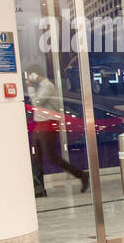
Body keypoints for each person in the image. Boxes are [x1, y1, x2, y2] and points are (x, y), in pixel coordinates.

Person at [26, 64, 90, 196]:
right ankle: (39, 189)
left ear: (36, 75)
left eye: (30, 75)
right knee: (36, 157)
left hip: (49, 125)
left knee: (51, 156)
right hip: (39, 124)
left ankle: (82, 175)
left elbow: (36, 102)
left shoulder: (47, 86)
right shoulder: (41, 87)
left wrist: (30, 87)